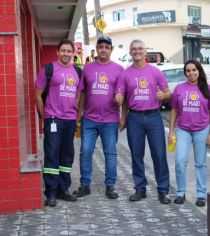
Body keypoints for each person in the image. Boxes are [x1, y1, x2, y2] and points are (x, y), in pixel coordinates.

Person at [115, 39, 171, 204]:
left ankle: (163, 190)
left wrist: (163, 95)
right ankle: (140, 188)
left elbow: (168, 93)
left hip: (154, 117)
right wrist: (121, 110)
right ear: (130, 52)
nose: (137, 51)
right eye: (134, 49)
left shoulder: (155, 72)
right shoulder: (125, 73)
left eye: (140, 48)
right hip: (135, 118)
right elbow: (121, 98)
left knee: (159, 154)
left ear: (145, 51)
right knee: (136, 154)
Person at [73, 35, 124, 199]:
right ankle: (85, 185)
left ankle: (110, 186)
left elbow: (123, 94)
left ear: (111, 50)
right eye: (100, 46)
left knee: (110, 153)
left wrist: (122, 112)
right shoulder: (88, 68)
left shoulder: (119, 69)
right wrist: (78, 115)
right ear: (97, 48)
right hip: (89, 119)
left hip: (110, 120)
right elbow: (82, 92)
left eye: (106, 47)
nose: (103, 49)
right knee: (85, 151)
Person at [34, 39, 80, 207]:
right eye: (63, 51)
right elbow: (37, 94)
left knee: (67, 155)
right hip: (53, 118)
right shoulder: (49, 69)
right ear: (58, 52)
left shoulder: (77, 71)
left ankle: (63, 189)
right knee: (52, 154)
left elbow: (79, 95)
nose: (66, 54)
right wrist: (44, 116)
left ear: (73, 53)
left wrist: (77, 116)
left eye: (69, 51)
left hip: (70, 120)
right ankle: (51, 193)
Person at [168, 59, 210, 207]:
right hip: (183, 129)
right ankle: (180, 192)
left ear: (199, 71)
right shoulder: (179, 89)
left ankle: (201, 194)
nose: (191, 73)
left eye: (194, 70)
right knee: (180, 161)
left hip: (202, 130)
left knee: (200, 163)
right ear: (185, 73)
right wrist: (171, 131)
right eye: (188, 71)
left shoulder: (207, 88)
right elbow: (174, 110)